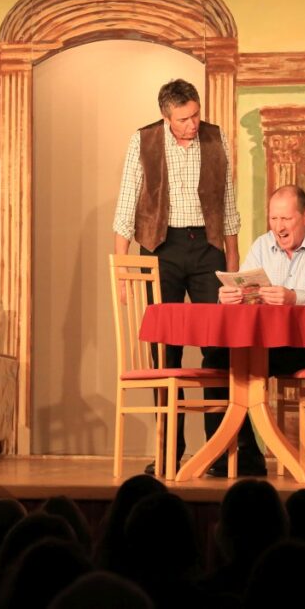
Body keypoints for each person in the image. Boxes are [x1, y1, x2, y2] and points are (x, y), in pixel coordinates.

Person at [113, 78, 241, 475]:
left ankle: (217, 451)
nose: (192, 124)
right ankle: (169, 450)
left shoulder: (216, 139)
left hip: (207, 247)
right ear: (166, 116)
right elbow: (126, 204)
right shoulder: (144, 140)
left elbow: (229, 205)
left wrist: (232, 264)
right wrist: (124, 271)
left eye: (196, 115)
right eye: (184, 118)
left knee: (217, 346)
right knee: (164, 350)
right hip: (161, 247)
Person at [218, 184, 305, 479]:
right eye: (274, 219)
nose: (278, 227)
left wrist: (295, 296)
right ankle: (245, 454)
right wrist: (231, 296)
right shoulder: (261, 246)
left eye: (286, 219)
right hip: (272, 346)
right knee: (218, 358)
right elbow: (244, 289)